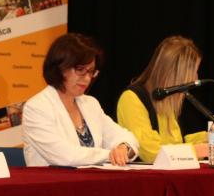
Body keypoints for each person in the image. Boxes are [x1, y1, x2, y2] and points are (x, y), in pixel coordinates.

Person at [22, 33, 139, 167]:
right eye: (81, 70)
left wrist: (123, 148)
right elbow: (65, 156)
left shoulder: (90, 104)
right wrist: (110, 154)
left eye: (91, 71)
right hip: (52, 186)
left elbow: (129, 139)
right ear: (60, 68)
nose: (87, 78)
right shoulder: (36, 107)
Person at [116, 35, 208, 163]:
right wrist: (196, 150)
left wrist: (211, 138)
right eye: (194, 71)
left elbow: (175, 143)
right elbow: (151, 153)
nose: (195, 78)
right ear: (177, 73)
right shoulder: (132, 99)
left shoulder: (167, 100)